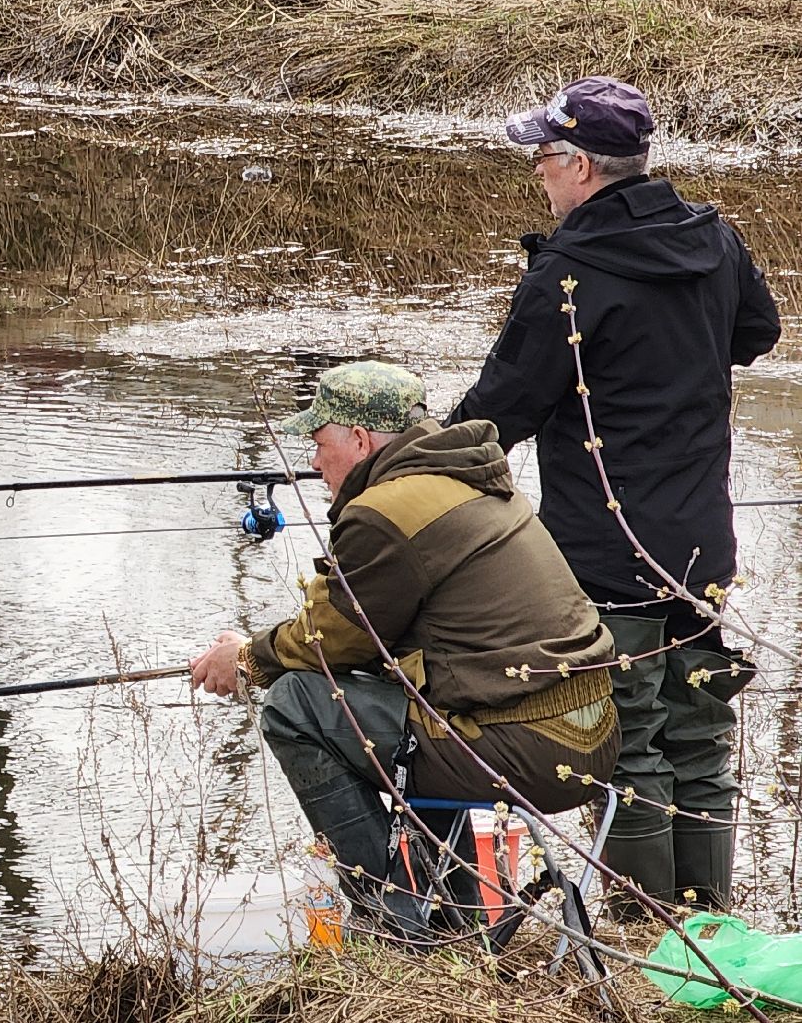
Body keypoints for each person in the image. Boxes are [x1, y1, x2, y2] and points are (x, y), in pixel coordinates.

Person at [446, 77, 780, 912]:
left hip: (603, 544)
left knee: (626, 738)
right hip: (701, 541)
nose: (538, 176)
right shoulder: (716, 238)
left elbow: (502, 409)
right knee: (699, 731)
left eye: (544, 159)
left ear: (583, 167)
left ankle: (646, 927)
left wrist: (418, 470)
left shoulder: (571, 270)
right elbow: (758, 333)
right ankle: (706, 920)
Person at [191, 361, 619, 932]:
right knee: (393, 704)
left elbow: (330, 639)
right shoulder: (468, 479)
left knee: (295, 703)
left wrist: (246, 659)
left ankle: (395, 921)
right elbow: (372, 633)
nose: (314, 462)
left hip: (524, 749)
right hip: (589, 735)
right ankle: (455, 920)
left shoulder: (387, 512)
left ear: (361, 440)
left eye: (320, 443)